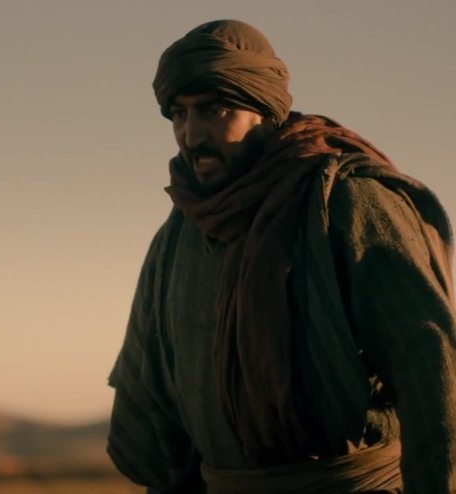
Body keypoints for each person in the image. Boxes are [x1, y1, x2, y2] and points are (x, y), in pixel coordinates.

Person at [106, 19, 456, 494]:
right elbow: (157, 406)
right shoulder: (179, 234)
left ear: (267, 112)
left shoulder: (348, 202)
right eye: (179, 115)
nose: (191, 135)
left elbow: (431, 369)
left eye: (214, 110)